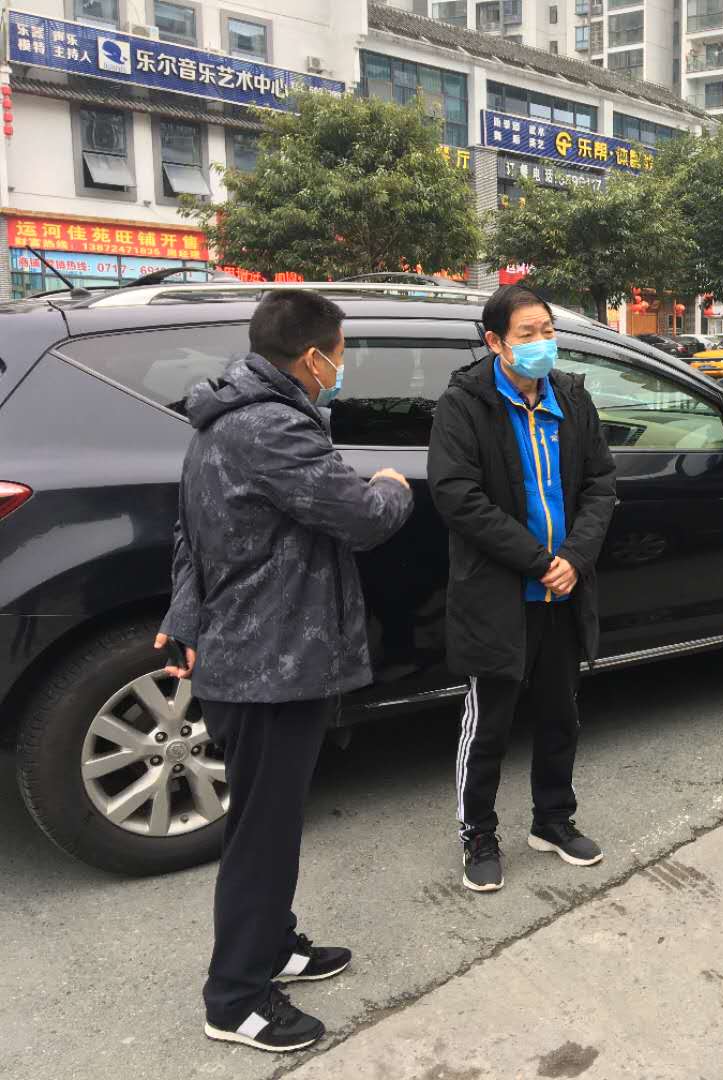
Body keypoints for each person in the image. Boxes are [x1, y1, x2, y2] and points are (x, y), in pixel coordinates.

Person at [155, 289, 414, 1052]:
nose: (342, 365)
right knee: (262, 836)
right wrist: (392, 486)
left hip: (253, 655)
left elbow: (190, 532)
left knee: (267, 822)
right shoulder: (273, 426)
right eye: (341, 352)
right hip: (268, 665)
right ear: (312, 357)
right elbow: (362, 518)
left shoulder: (224, 416)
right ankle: (236, 998)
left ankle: (275, 945)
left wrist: (184, 617)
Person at [428, 285, 617, 894]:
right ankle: (477, 834)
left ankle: (553, 820)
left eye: (547, 332)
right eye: (527, 334)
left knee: (561, 714)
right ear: (495, 342)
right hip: (499, 593)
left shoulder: (571, 396)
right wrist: (539, 562)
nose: (542, 344)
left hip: (565, 590)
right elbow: (457, 496)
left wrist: (575, 559)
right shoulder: (465, 404)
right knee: (489, 723)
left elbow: (600, 483)